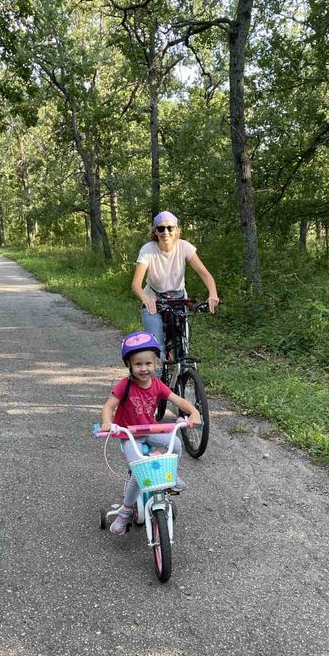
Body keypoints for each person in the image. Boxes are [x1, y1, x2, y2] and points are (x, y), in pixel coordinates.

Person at [100, 331, 200, 535]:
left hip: (149, 429)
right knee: (139, 471)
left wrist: (194, 412)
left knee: (177, 444)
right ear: (129, 365)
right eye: (138, 364)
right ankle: (126, 511)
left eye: (148, 363)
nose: (144, 368)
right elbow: (109, 407)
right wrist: (107, 423)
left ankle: (170, 476)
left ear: (156, 363)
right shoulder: (124, 386)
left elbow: (177, 400)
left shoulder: (157, 384)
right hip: (129, 434)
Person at [131, 211, 219, 365]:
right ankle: (156, 385)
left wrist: (212, 294)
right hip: (154, 299)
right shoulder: (148, 249)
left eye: (170, 228)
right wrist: (145, 299)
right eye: (161, 228)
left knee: (183, 348)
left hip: (179, 299)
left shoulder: (184, 247)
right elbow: (136, 285)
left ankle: (183, 377)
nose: (166, 232)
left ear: (177, 231)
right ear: (155, 232)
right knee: (157, 349)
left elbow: (205, 274)